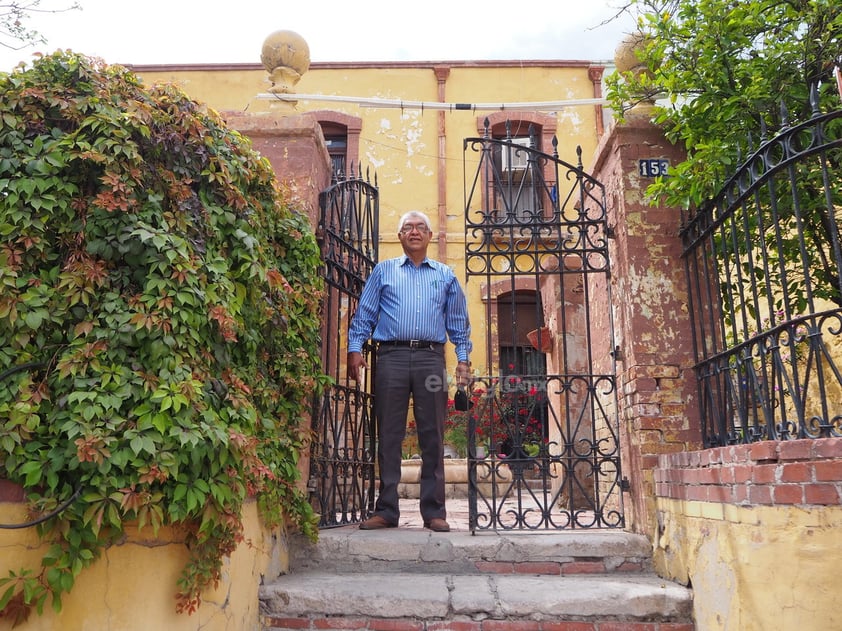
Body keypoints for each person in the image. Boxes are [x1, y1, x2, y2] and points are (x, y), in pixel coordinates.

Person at [347, 210, 472, 532]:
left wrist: (463, 359)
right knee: (388, 434)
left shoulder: (445, 275)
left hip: (431, 358)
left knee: (433, 435)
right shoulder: (383, 271)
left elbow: (458, 324)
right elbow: (365, 314)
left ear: (430, 236)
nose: (414, 232)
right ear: (400, 236)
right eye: (407, 228)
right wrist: (354, 349)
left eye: (420, 227)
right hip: (392, 357)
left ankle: (434, 512)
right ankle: (386, 510)